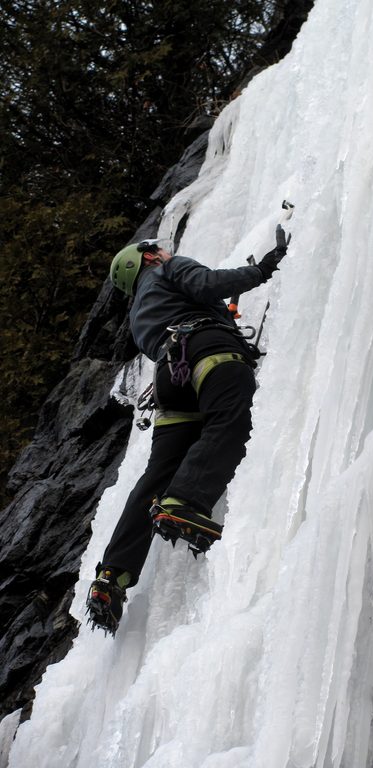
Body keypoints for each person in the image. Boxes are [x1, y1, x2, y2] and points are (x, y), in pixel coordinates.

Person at [86, 226, 289, 635]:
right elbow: (208, 282)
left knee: (154, 476)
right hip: (206, 352)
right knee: (230, 419)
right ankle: (184, 502)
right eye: (156, 252)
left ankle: (113, 575)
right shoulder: (168, 269)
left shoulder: (139, 309)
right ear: (146, 259)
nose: (162, 253)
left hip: (168, 381)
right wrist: (264, 269)